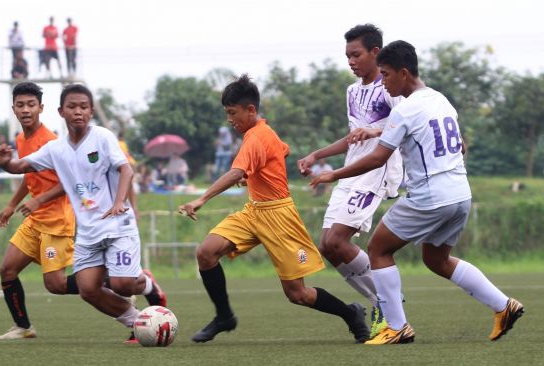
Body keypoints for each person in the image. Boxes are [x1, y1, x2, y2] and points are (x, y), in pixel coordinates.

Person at [313, 40, 524, 344]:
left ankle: (397, 327)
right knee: (437, 259)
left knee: (378, 250)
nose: (383, 83)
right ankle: (504, 306)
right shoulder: (441, 100)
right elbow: (461, 146)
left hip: (430, 197)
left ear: (403, 73)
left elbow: (376, 158)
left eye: (385, 75)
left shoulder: (406, 109)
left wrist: (334, 173)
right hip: (460, 194)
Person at [178, 74, 369, 344]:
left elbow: (235, 173)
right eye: (227, 113)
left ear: (251, 110)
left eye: (233, 113)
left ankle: (351, 314)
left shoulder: (256, 137)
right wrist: (256, 173)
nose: (230, 120)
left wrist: (202, 198)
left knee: (297, 294)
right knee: (206, 252)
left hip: (280, 216)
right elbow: (283, 151)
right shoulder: (262, 133)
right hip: (254, 211)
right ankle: (224, 317)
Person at [0, 84, 167, 343]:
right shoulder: (56, 149)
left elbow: (126, 171)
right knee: (85, 289)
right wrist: (5, 163)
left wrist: (120, 202)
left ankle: (145, 284)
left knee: (119, 285)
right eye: (72, 107)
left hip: (104, 224)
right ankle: (138, 322)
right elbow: (21, 168)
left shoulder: (102, 137)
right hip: (86, 230)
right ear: (61, 111)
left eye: (83, 107)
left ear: (91, 111)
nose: (78, 112)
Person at [297, 24, 403, 339]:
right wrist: (317, 155)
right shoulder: (353, 91)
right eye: (347, 56)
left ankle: (388, 303)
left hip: (376, 171)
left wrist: (374, 131)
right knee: (328, 245)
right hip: (350, 171)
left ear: (375, 52)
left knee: (338, 240)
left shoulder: (390, 88)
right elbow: (352, 138)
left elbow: (403, 125)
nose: (351, 61)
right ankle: (379, 301)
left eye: (356, 54)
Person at [0, 82, 78, 340]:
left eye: (31, 105)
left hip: (56, 220)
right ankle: (23, 327)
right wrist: (11, 204)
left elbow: (69, 182)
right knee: (7, 270)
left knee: (56, 285)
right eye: (20, 105)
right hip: (36, 220)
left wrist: (39, 200)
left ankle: (115, 284)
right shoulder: (20, 139)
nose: (26, 109)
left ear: (41, 108)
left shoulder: (51, 142)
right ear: (14, 109)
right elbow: (27, 175)